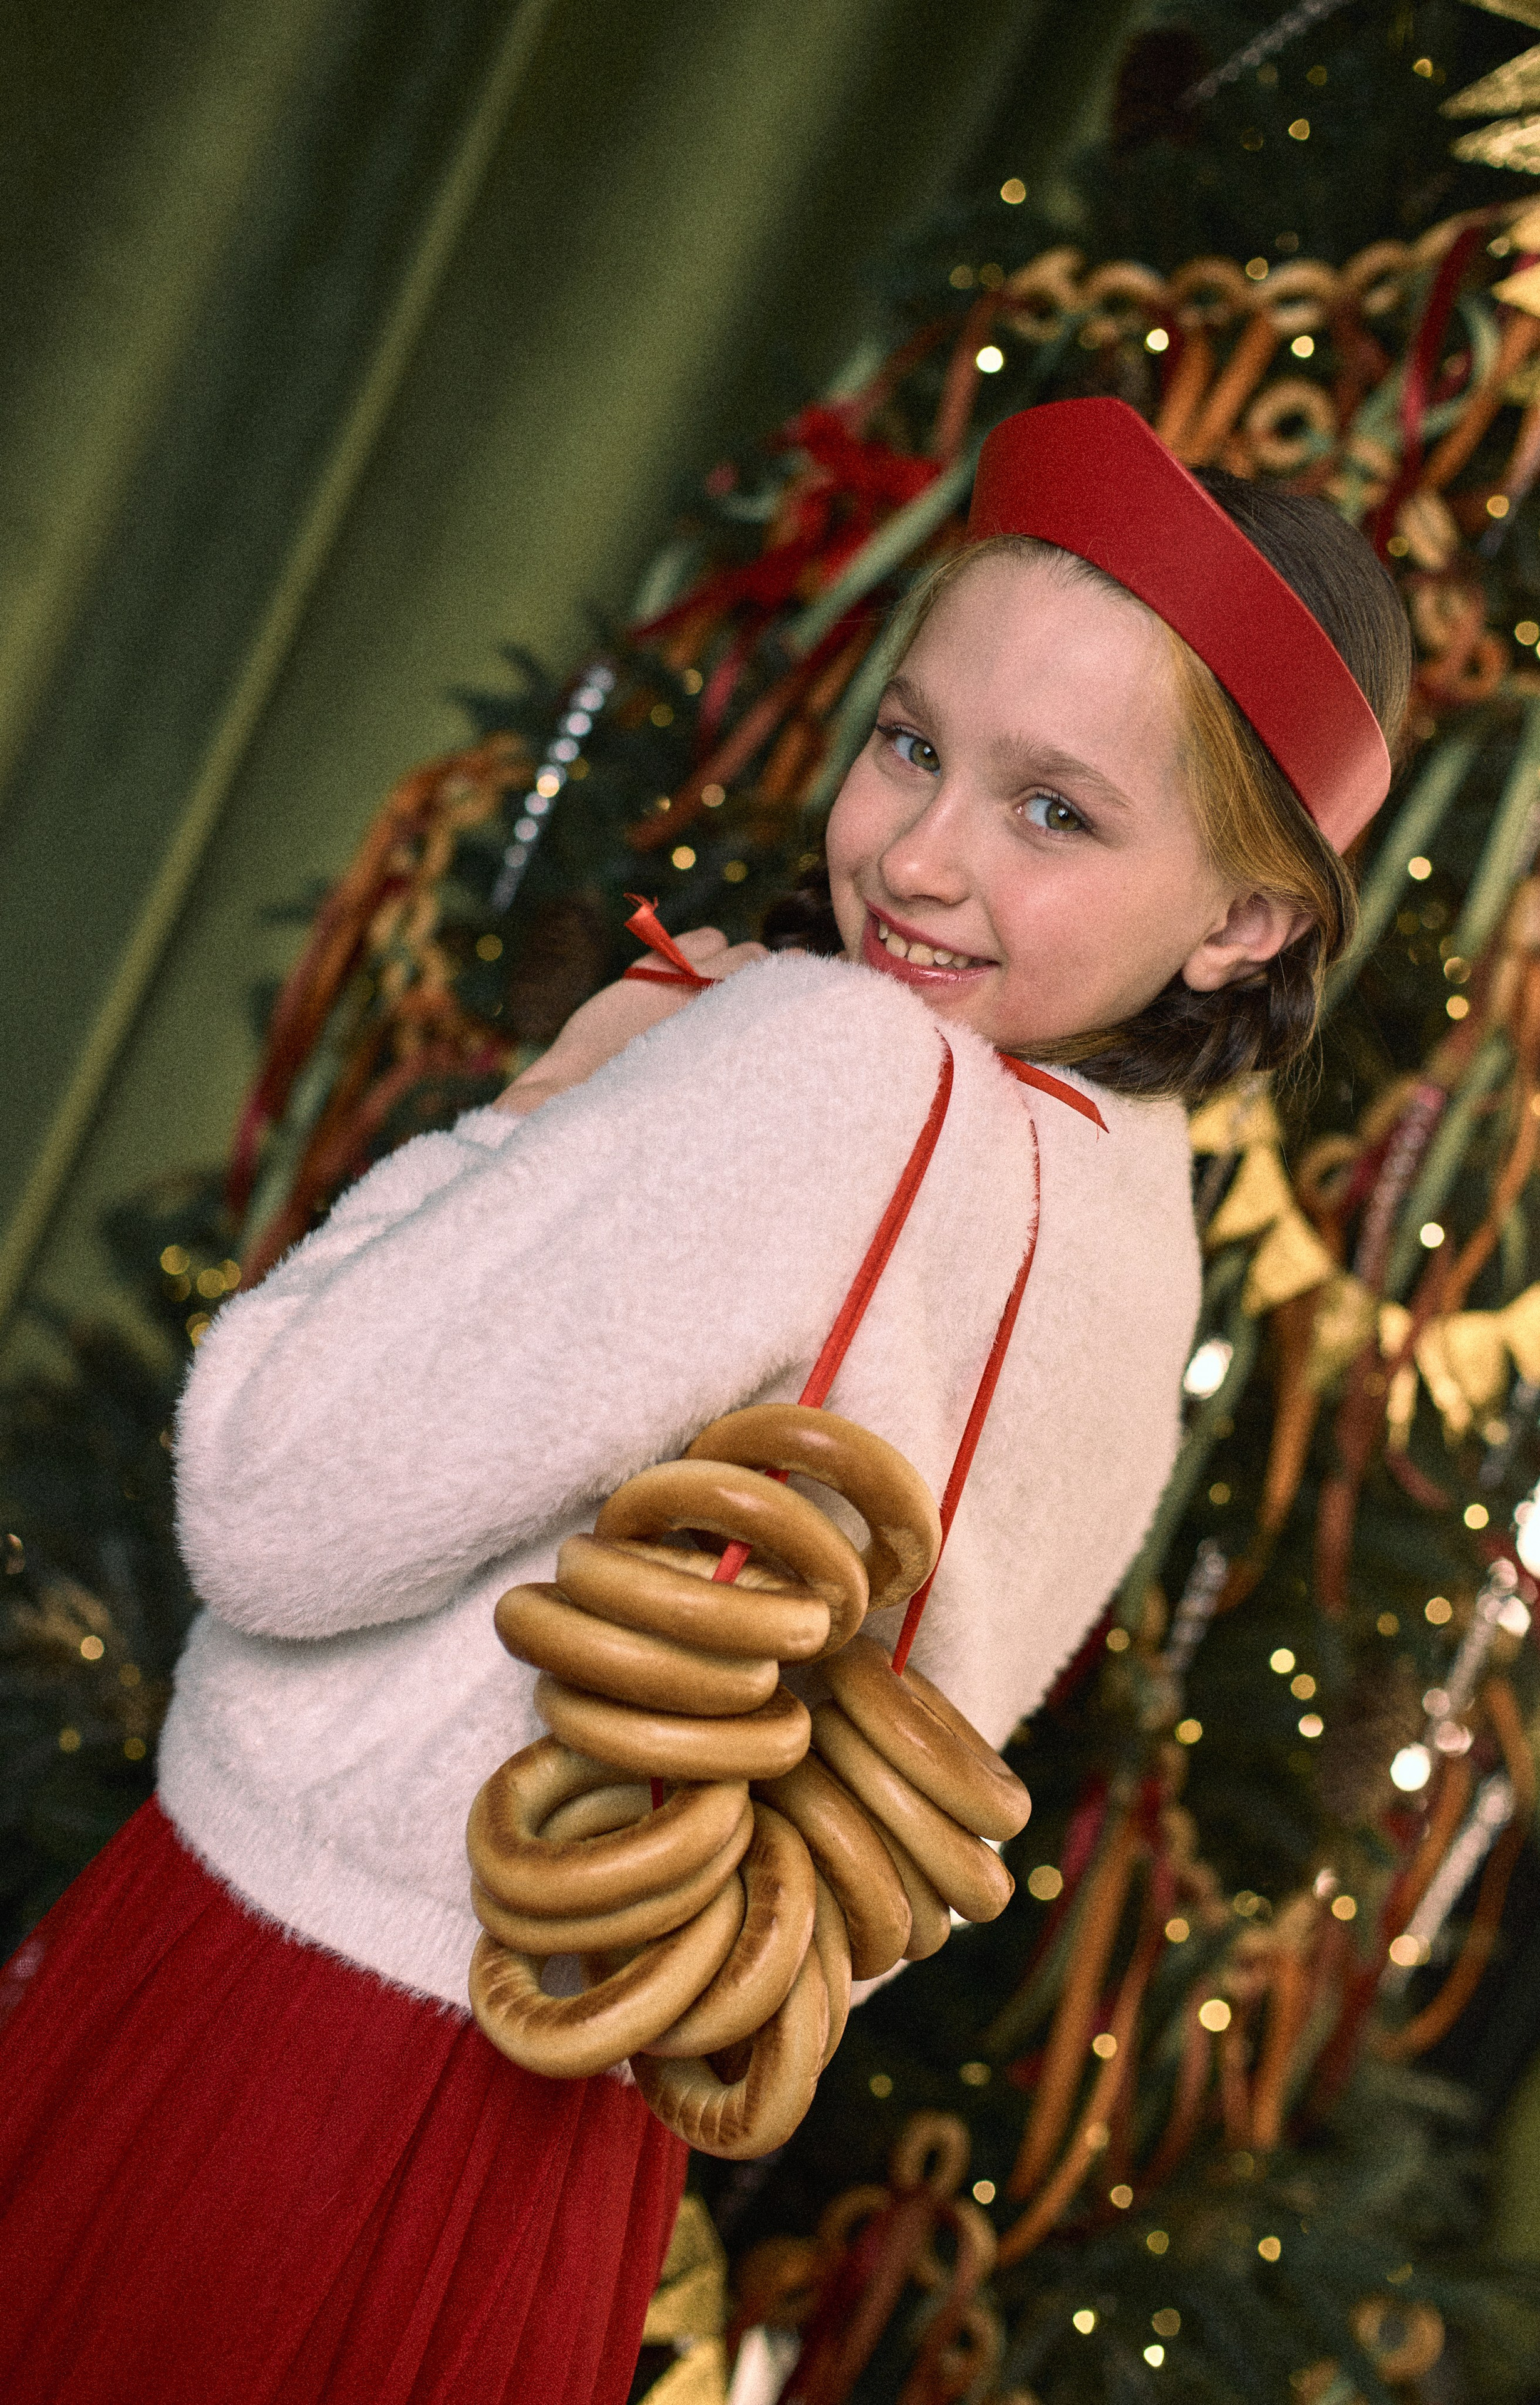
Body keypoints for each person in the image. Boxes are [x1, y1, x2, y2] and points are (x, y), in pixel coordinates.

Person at [0, 399, 1410, 2404]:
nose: (914, 858)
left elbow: (265, 1496)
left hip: (284, 2055)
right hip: (566, 2178)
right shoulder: (1139, 1248)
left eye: (1055, 811)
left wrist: (550, 1102)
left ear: (1252, 917)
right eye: (913, 744)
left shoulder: (817, 1065)